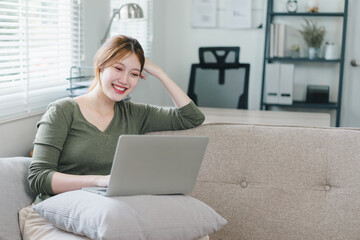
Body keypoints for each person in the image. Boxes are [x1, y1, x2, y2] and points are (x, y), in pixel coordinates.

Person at [20, 35, 207, 239]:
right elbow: (38, 178)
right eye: (118, 69)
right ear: (101, 65)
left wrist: (159, 72)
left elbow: (192, 117)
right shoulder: (63, 110)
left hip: (106, 215)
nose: (124, 80)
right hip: (53, 215)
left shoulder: (135, 114)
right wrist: (100, 181)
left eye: (134, 74)